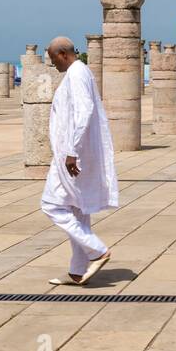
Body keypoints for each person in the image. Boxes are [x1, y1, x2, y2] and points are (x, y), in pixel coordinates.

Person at [42, 37, 116, 286]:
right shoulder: (78, 72)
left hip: (72, 153)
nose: (54, 65)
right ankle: (77, 270)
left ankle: (97, 250)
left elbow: (85, 111)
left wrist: (72, 151)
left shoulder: (76, 73)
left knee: (51, 204)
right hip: (71, 151)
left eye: (54, 60)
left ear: (63, 54)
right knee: (76, 207)